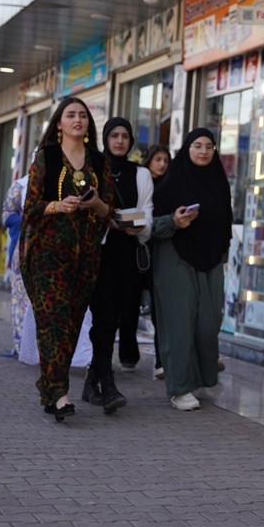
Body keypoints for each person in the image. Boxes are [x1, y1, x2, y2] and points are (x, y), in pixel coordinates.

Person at [21, 97, 113, 421]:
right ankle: (60, 394)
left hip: (86, 254)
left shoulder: (99, 162)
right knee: (53, 322)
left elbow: (109, 212)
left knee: (72, 323)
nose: (77, 120)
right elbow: (30, 208)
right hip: (48, 253)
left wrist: (96, 204)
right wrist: (57, 206)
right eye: (70, 115)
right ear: (59, 123)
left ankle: (48, 387)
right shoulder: (45, 158)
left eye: (83, 116)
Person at [151, 129, 234, 413]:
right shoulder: (170, 183)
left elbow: (225, 222)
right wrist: (174, 221)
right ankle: (180, 388)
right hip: (175, 257)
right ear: (187, 148)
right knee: (180, 326)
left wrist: (222, 255)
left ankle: (198, 376)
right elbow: (151, 225)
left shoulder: (218, 182)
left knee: (208, 325)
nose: (203, 151)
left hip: (211, 260)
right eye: (197, 145)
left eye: (209, 146)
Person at [81, 118, 153, 413]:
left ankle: (90, 383)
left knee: (118, 317)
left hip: (128, 255)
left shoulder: (141, 174)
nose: (120, 141)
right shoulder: (94, 169)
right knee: (105, 319)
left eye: (125, 136)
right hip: (99, 254)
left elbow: (148, 212)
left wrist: (141, 228)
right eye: (114, 136)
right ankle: (107, 384)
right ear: (106, 139)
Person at [2, 174, 95, 366]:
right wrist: (31, 219)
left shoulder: (71, 181)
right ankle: (23, 345)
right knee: (22, 301)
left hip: (60, 253)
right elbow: (7, 214)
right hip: (26, 249)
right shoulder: (21, 186)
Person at [141, 144, 171, 380]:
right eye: (157, 159)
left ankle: (161, 360)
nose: (161, 164)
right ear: (149, 160)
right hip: (138, 249)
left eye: (165, 160)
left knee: (160, 309)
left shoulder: (169, 187)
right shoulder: (140, 183)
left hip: (159, 252)